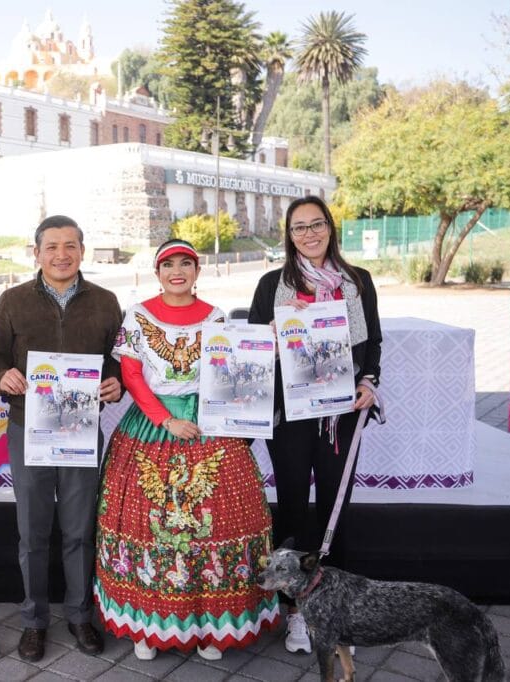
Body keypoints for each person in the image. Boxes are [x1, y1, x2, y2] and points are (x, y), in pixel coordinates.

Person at [94, 239, 279, 662]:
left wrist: (267, 342)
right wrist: (166, 420)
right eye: (168, 265)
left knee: (217, 521)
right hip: (152, 422)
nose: (177, 272)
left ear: (197, 271)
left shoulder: (215, 317)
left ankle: (209, 626)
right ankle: (146, 623)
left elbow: (230, 366)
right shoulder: (138, 315)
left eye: (185, 264)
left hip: (208, 421)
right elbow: (132, 375)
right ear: (157, 273)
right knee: (144, 520)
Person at [0, 215, 123, 663]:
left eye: (70, 246)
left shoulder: (105, 301)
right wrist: (1, 375)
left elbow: (117, 359)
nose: (61, 255)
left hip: (81, 430)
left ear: (82, 250)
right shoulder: (13, 299)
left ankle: (80, 616)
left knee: (80, 530)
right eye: (52, 247)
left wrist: (116, 381)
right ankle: (34, 621)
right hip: (29, 429)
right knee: (33, 532)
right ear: (37, 253)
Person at [248, 195, 382, 655]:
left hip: (340, 415)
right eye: (299, 227)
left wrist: (368, 382)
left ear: (330, 227)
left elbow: (373, 342)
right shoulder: (272, 285)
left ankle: (336, 613)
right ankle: (295, 613)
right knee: (291, 507)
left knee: (334, 509)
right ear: (289, 235)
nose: (309, 234)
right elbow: (253, 348)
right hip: (291, 415)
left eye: (317, 224)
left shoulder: (358, 282)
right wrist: (271, 334)